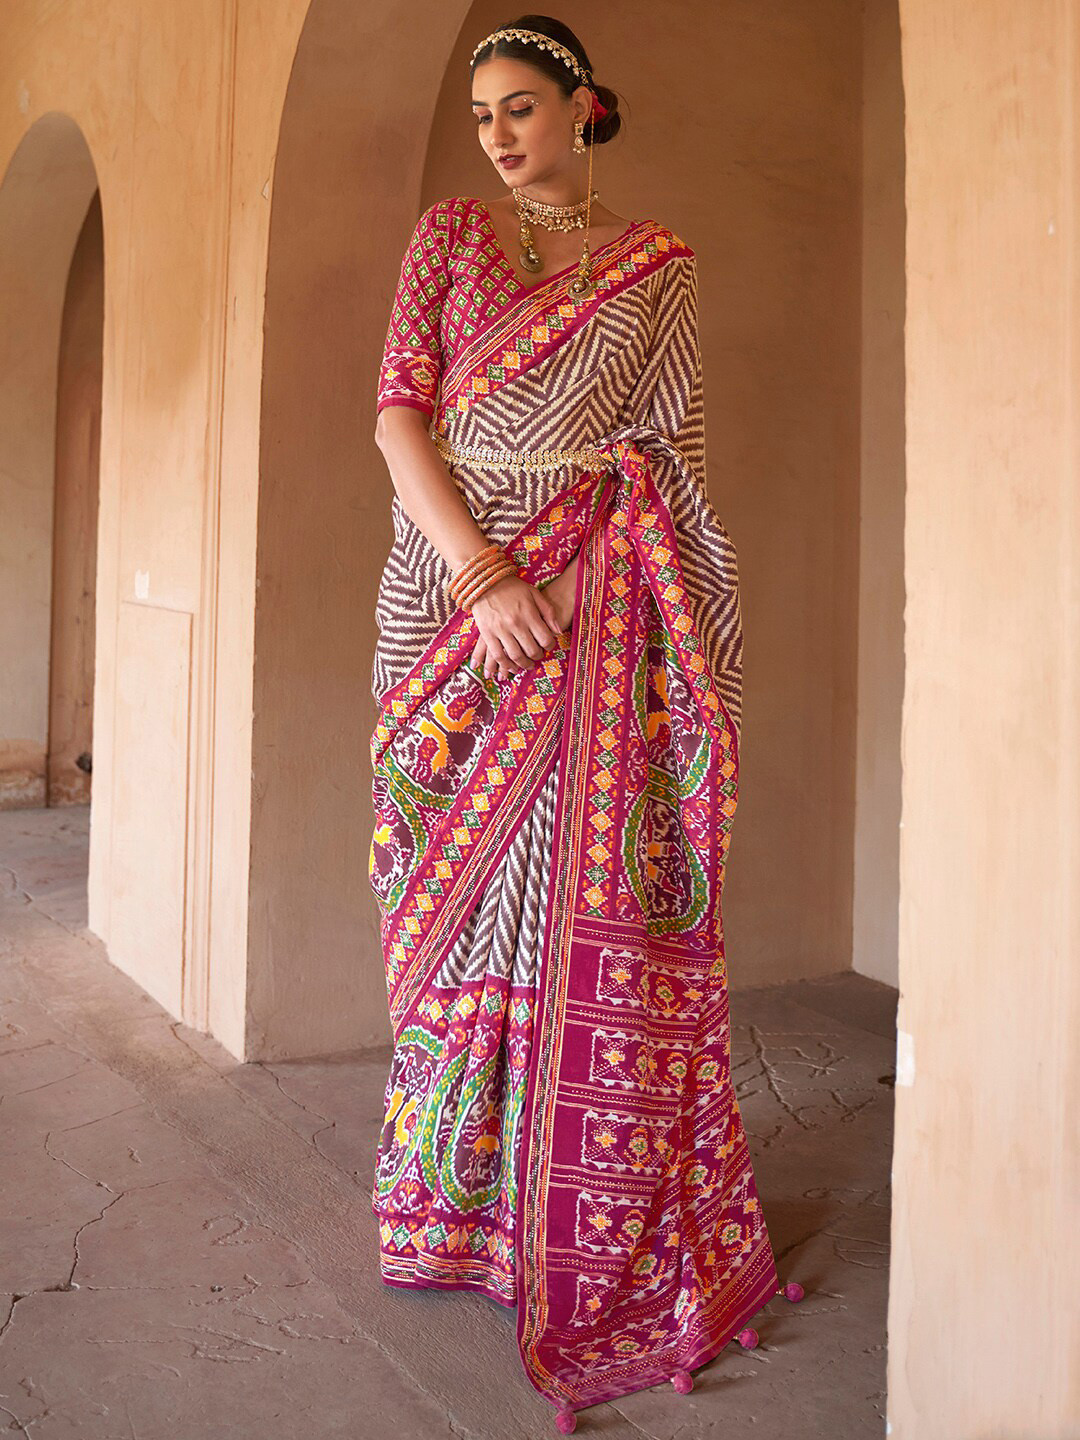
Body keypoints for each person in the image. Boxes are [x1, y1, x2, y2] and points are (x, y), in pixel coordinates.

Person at [367, 15, 804, 1431]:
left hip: (595, 602)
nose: (497, 133)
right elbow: (398, 419)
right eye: (481, 114)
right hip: (449, 592)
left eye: (519, 106)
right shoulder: (449, 237)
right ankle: (453, 1206)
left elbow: (672, 453)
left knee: (571, 889)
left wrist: (585, 583)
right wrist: (484, 575)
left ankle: (570, 1208)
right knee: (444, 899)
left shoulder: (657, 265)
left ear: (582, 105)